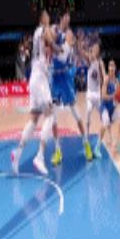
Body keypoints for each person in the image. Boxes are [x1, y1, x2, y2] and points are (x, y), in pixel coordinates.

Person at [11, 10, 58, 176]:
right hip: (39, 79)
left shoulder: (40, 32)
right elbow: (51, 39)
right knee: (50, 116)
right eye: (47, 15)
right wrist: (56, 42)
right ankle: (40, 156)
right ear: (42, 18)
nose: (49, 17)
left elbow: (50, 43)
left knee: (34, 120)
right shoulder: (41, 29)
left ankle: (17, 153)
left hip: (36, 79)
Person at [50, 12, 93, 166]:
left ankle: (86, 145)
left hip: (66, 78)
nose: (68, 20)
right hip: (55, 78)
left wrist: (53, 45)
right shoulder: (54, 30)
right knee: (53, 117)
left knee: (76, 114)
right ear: (61, 18)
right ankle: (57, 150)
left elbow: (62, 55)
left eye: (69, 17)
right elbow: (50, 45)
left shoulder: (69, 34)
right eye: (66, 17)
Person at [94, 60, 120, 157]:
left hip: (113, 107)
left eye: (113, 66)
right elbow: (103, 96)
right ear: (108, 68)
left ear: (115, 68)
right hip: (104, 107)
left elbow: (118, 96)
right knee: (105, 122)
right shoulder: (106, 79)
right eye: (110, 66)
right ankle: (97, 147)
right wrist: (114, 95)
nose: (111, 67)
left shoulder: (117, 81)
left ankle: (119, 143)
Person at [80, 42, 106, 138]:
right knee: (88, 111)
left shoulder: (100, 62)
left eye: (96, 48)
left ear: (98, 51)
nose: (94, 49)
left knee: (104, 115)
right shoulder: (89, 60)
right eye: (93, 48)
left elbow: (104, 74)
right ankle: (87, 132)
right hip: (90, 93)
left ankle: (107, 133)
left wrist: (105, 79)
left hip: (98, 93)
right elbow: (82, 53)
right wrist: (80, 46)